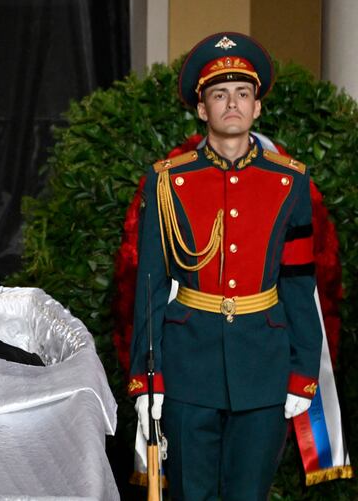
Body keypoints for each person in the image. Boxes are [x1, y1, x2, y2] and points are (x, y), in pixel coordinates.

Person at [127, 32, 322, 500]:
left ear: (257, 107)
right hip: (187, 364)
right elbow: (150, 286)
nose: (231, 103)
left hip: (264, 366)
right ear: (202, 109)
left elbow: (298, 282)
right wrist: (146, 380)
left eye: (242, 93)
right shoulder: (167, 182)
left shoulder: (289, 182)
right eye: (219, 94)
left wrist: (303, 371)